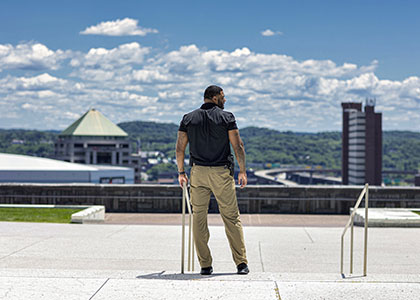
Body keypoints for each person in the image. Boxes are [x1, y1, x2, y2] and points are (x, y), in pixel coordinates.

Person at [175, 85, 249, 275]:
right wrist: (242, 171)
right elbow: (238, 145)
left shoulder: (188, 118)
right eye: (223, 97)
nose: (225, 100)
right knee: (231, 218)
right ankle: (241, 264)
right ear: (215, 98)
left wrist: (181, 172)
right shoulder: (227, 117)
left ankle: (205, 265)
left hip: (198, 172)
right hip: (221, 173)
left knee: (198, 218)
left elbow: (179, 148)